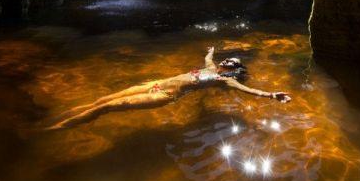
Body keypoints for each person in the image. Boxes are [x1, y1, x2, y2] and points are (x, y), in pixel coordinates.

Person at [48, 47, 291, 129]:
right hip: (156, 84)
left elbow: (249, 92)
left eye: (233, 63)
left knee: (111, 107)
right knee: (102, 99)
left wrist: (271, 94)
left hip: (166, 94)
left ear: (234, 71)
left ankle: (56, 128)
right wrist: (211, 51)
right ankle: (63, 117)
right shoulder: (211, 67)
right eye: (228, 59)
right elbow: (208, 57)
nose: (228, 62)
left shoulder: (225, 80)